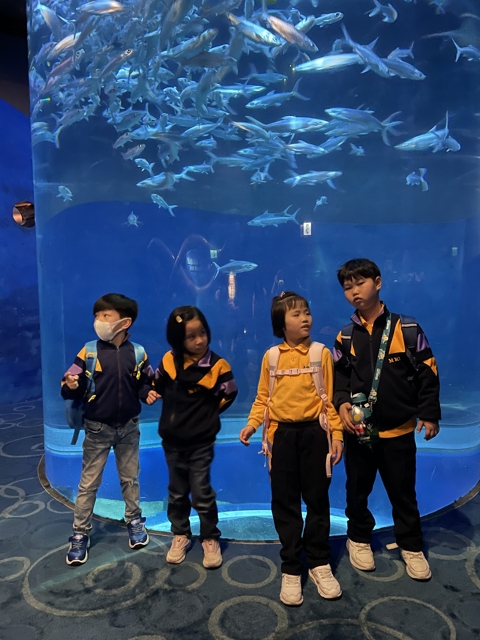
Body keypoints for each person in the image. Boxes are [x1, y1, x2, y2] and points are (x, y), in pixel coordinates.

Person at [333, 258, 441, 581]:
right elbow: (338, 379)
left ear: (378, 283)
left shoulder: (406, 329)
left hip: (399, 431)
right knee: (357, 491)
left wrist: (429, 413)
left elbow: (427, 371)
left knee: (403, 492)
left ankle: (411, 544)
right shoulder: (345, 336)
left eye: (360, 283)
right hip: (359, 431)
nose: (354, 291)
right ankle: (358, 538)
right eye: (347, 287)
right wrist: (341, 405)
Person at [239, 292, 344, 606]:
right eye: (296, 314)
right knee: (284, 502)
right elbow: (263, 398)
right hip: (281, 436)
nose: (305, 318)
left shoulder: (321, 353)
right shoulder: (271, 357)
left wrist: (337, 435)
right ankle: (291, 565)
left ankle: (319, 562)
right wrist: (252, 424)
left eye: (306, 312)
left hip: (315, 434)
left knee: (317, 499)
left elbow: (329, 400)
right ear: (281, 324)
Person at [61, 293, 158, 566]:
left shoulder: (138, 353)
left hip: (129, 427)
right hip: (97, 428)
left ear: (125, 322)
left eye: (106, 315)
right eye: (97, 316)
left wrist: (147, 393)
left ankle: (135, 521)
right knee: (88, 483)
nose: (99, 321)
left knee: (130, 478)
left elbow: (145, 382)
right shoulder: (88, 351)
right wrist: (70, 385)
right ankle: (80, 533)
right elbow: (71, 382)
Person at [153, 306, 238, 569]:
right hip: (172, 440)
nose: (200, 340)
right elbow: (157, 384)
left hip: (201, 442)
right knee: (177, 491)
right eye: (191, 336)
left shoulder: (218, 366)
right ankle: (180, 533)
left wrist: (208, 416)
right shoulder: (169, 361)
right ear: (178, 339)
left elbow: (230, 393)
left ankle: (209, 536)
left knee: (201, 491)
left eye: (202, 333)